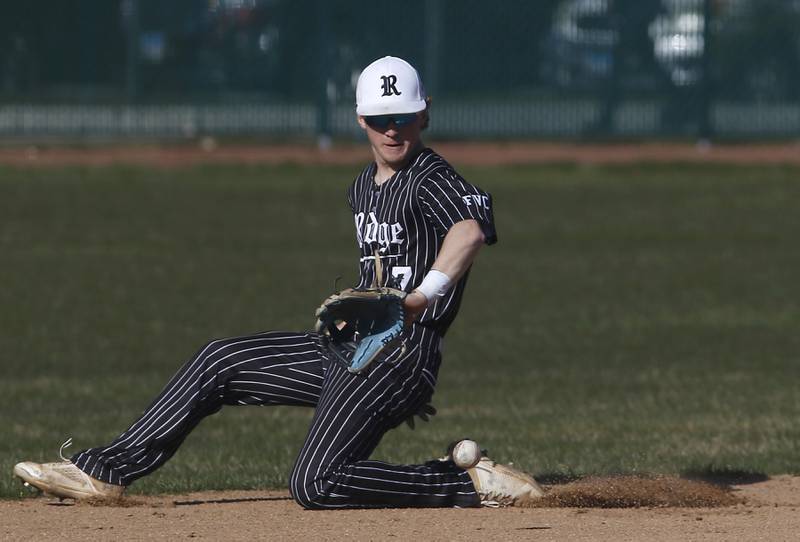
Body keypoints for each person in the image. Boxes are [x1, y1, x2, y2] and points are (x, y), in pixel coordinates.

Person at [14, 56, 543, 508]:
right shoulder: (362, 186)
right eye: (382, 118)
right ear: (360, 117)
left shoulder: (432, 177)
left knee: (315, 484)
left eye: (404, 116)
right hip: (353, 350)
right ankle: (104, 472)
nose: (393, 129)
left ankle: (463, 483)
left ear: (424, 112)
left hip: (402, 357)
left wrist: (420, 297)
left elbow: (470, 231)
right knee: (219, 360)